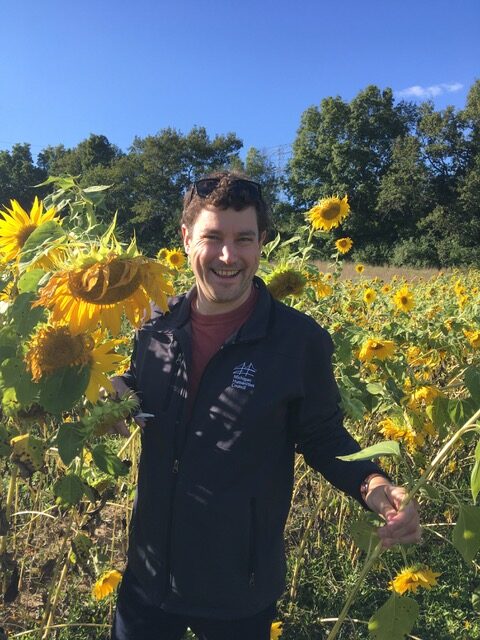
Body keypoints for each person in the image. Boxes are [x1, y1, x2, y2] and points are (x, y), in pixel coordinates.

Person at [110, 172, 421, 640]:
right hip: (148, 574)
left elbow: (321, 436)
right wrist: (114, 389)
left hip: (238, 584)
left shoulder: (297, 341)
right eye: (212, 237)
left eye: (244, 239)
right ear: (186, 238)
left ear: (261, 245)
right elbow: (136, 387)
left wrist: (372, 483)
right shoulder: (154, 329)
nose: (228, 256)